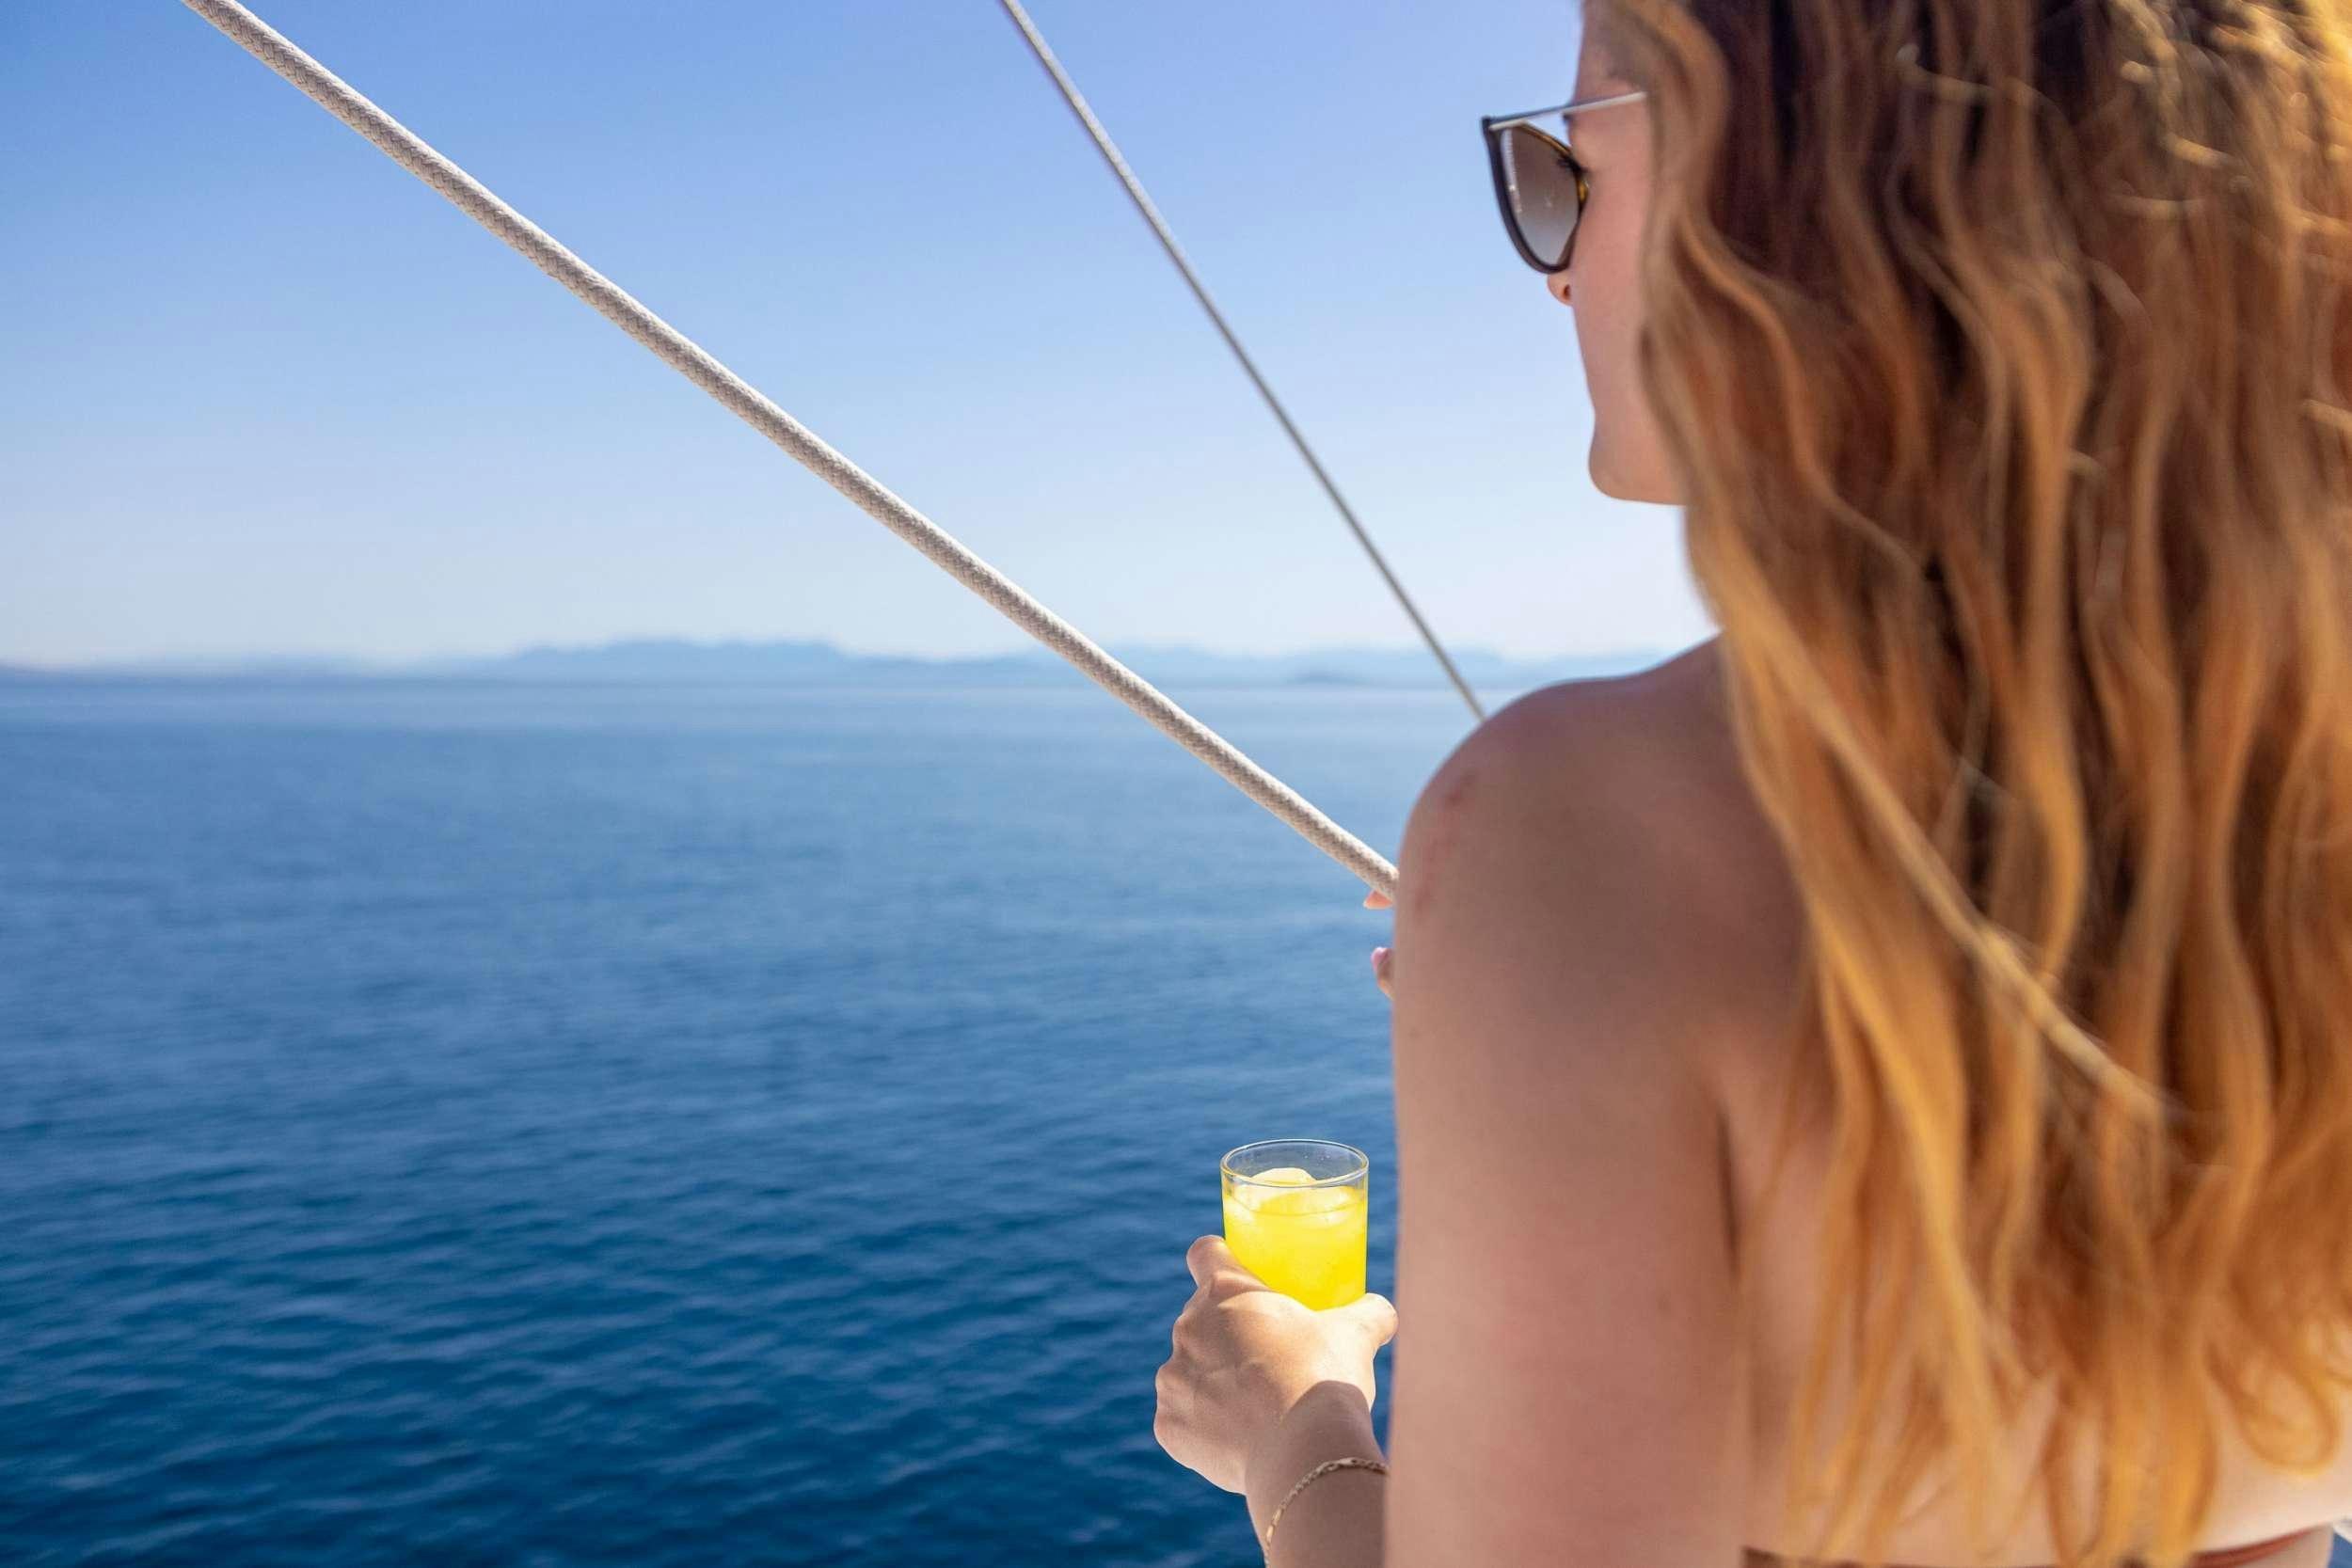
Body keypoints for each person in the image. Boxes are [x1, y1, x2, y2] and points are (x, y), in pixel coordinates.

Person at [1149, 1, 2352, 1565]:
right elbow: (2221, 1502)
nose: (1555, 262)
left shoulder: (1572, 836)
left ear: (1781, 190)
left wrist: (1297, 1428)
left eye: (1564, 167)